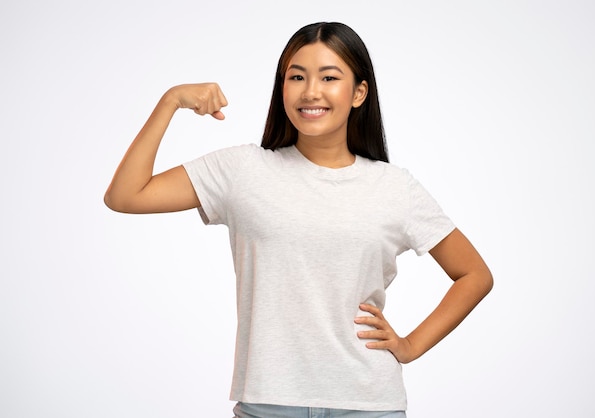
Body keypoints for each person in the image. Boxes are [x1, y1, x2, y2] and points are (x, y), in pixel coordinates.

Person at [105, 21, 493, 418]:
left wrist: (411, 346)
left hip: (368, 403)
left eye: (329, 77)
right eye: (296, 77)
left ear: (359, 92)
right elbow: (125, 196)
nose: (311, 91)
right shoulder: (242, 170)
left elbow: (474, 275)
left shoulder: (394, 187)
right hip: (269, 402)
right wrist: (170, 101)